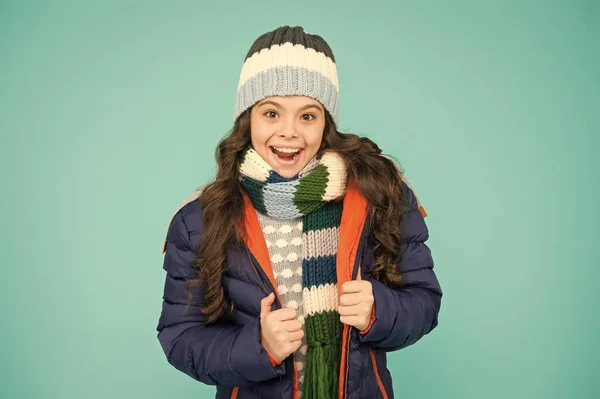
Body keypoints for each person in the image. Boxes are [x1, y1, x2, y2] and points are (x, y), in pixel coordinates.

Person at [156, 25, 442, 399]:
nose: (289, 132)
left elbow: (424, 301)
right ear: (248, 118)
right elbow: (180, 336)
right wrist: (260, 347)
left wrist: (380, 309)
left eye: (307, 116)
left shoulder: (380, 194)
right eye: (271, 113)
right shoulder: (200, 218)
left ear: (326, 123)